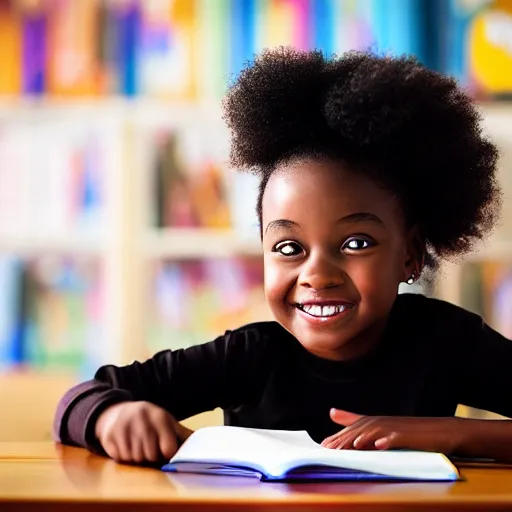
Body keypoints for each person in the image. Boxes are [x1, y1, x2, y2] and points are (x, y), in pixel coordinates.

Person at [54, 48, 512, 465]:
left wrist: (446, 433)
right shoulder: (250, 355)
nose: (317, 274)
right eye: (289, 248)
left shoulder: (447, 342)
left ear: (410, 254)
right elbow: (81, 398)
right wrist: (110, 416)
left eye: (355, 244)